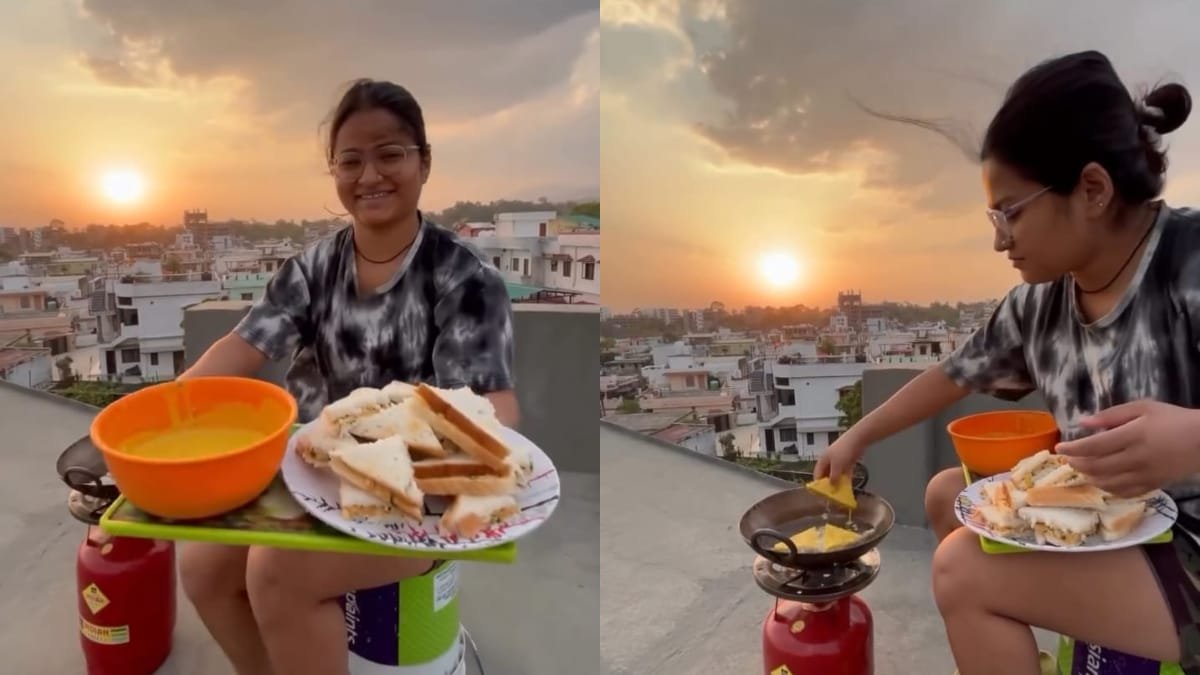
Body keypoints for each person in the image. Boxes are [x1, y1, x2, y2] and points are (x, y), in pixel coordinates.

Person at [815, 51, 1200, 675]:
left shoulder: (1189, 266)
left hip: (1189, 554)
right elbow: (952, 375)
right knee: (948, 496)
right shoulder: (1039, 305)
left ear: (1093, 190)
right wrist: (856, 438)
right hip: (1107, 520)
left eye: (1010, 212)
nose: (999, 239)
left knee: (962, 574)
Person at [176, 79, 518, 675]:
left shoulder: (463, 277)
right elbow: (244, 345)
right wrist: (170, 412)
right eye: (351, 160)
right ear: (334, 172)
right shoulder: (313, 267)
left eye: (390, 154)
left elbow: (492, 400)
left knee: (275, 574)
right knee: (202, 564)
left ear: (424, 162)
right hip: (310, 469)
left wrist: (442, 455)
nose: (370, 176)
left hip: (413, 492)